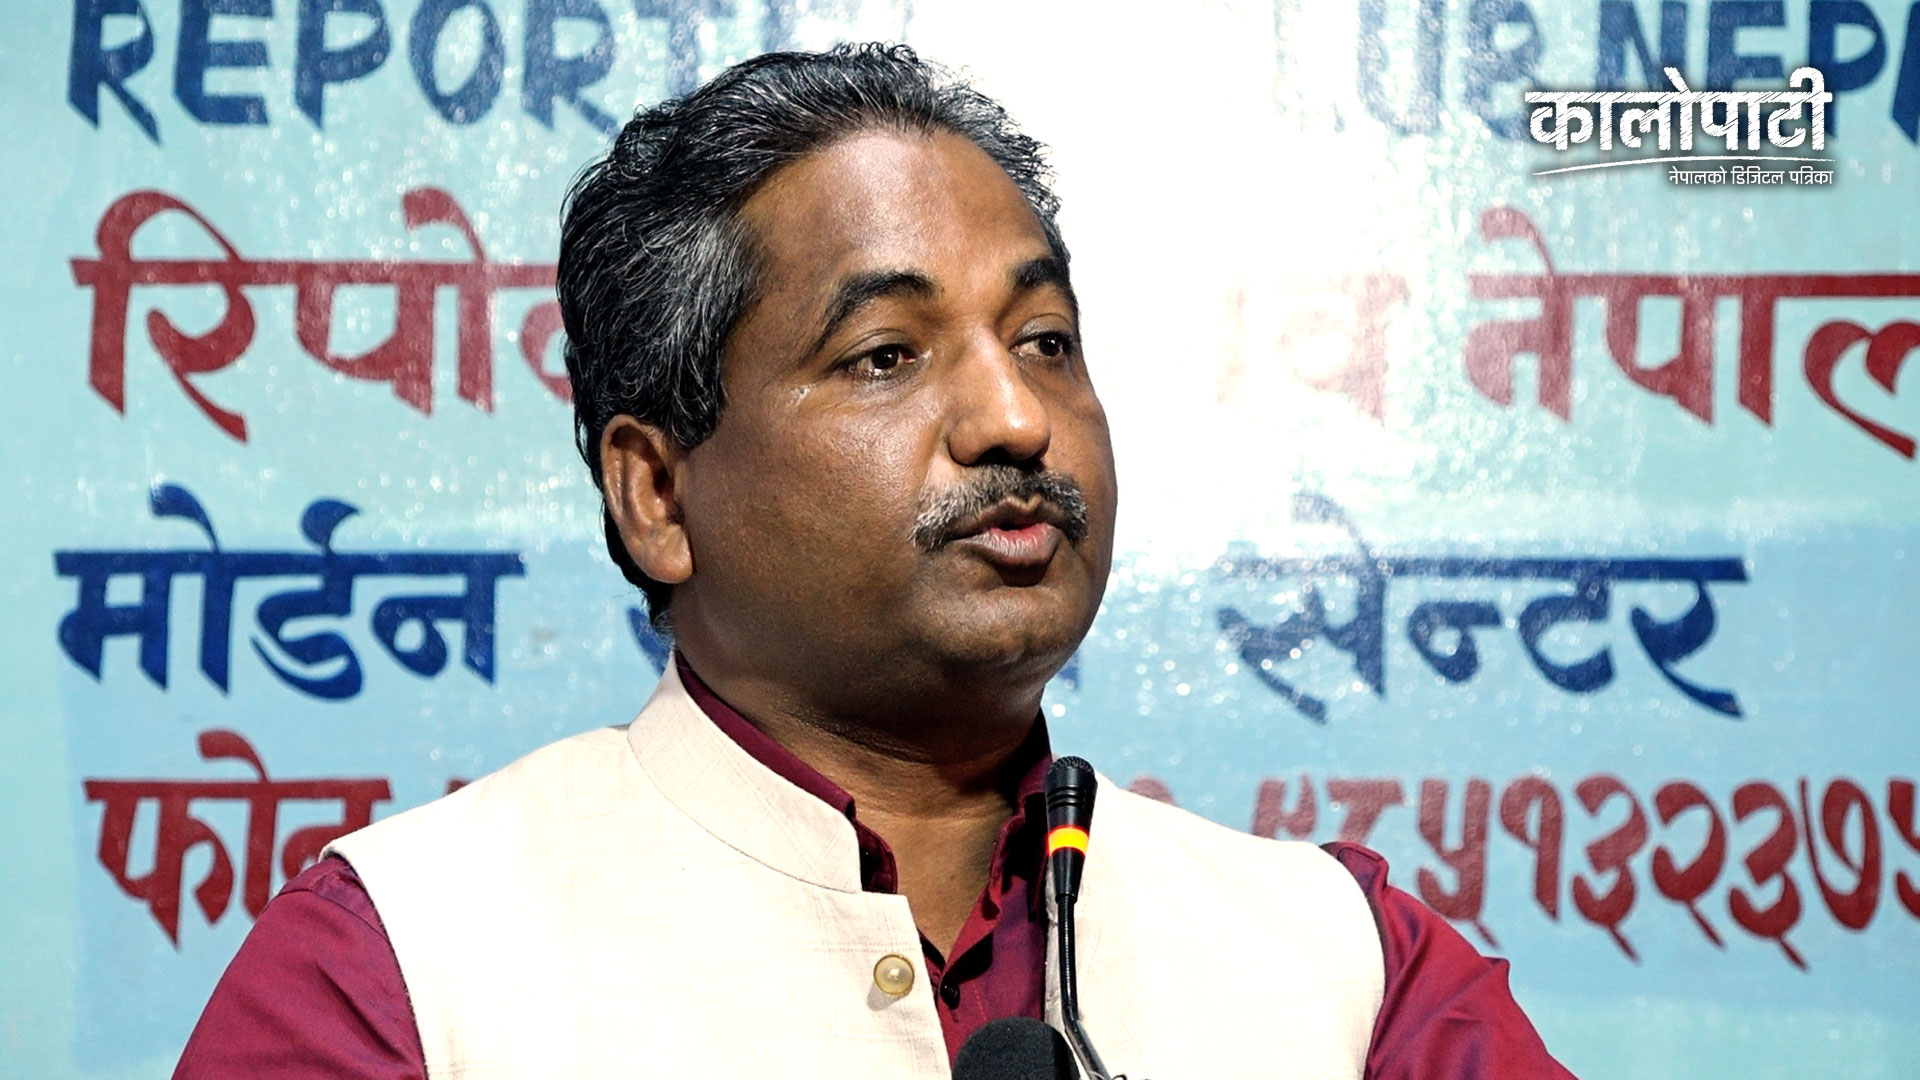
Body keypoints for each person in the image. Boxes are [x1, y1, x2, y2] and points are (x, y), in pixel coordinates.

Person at [174, 44, 1577, 1079]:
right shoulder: (395, 970)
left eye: (1044, 341)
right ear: (657, 493)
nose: (1015, 418)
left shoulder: (1347, 969)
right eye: (886, 355)